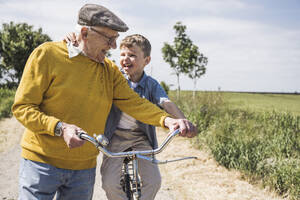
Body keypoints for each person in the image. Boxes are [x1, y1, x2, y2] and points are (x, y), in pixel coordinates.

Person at [12, 3, 197, 200]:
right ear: (84, 33)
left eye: (115, 39)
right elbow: (23, 107)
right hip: (42, 164)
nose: (114, 46)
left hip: (83, 169)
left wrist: (167, 120)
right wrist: (60, 127)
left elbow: (134, 103)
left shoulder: (109, 70)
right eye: (109, 39)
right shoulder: (47, 54)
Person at [100, 34, 196, 200]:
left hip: (141, 137)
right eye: (122, 55)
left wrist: (182, 121)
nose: (126, 59)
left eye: (132, 55)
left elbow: (166, 103)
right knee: (109, 183)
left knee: (153, 181)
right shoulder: (115, 79)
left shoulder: (151, 84)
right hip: (115, 137)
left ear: (147, 60)